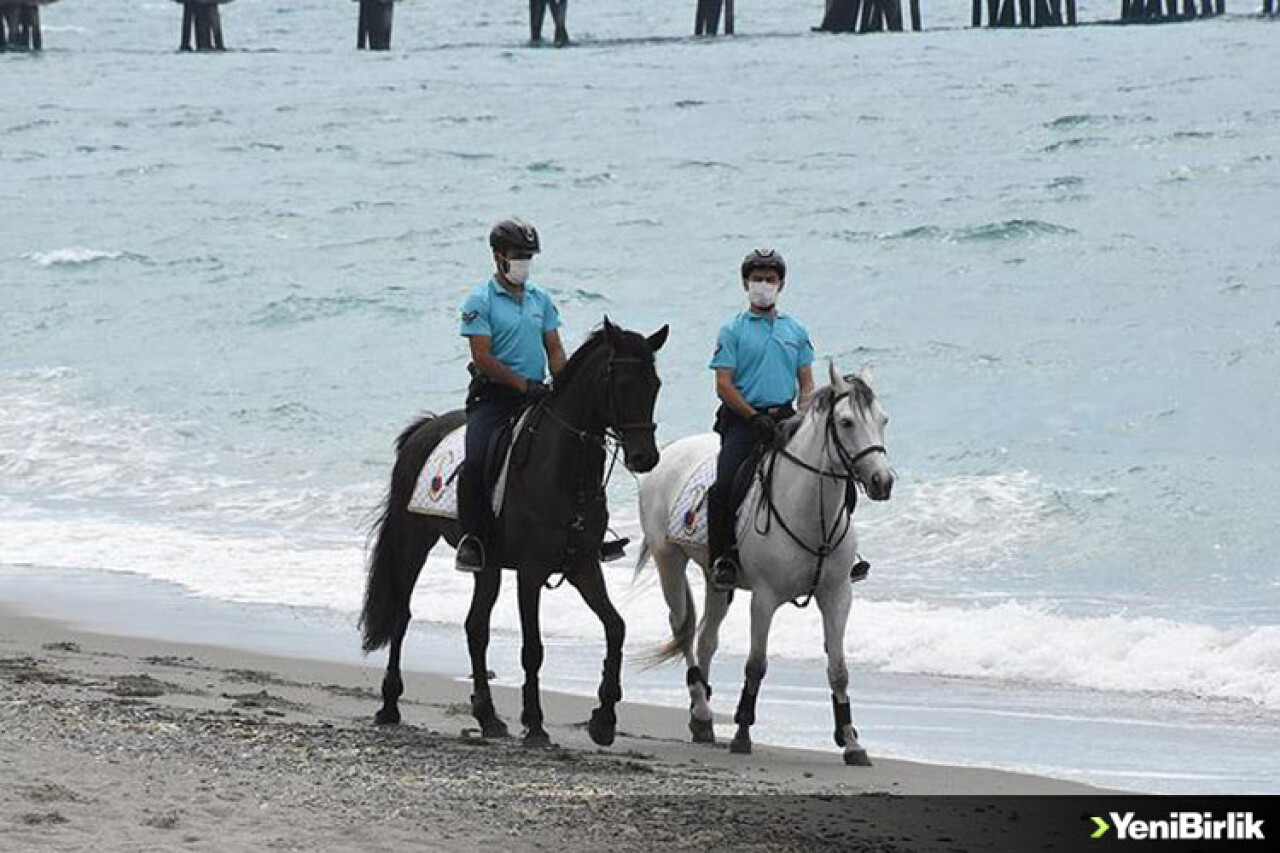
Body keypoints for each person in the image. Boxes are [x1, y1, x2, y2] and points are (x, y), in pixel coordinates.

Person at [455, 217, 567, 573]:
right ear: (498, 256)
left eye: (529, 256)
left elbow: (555, 349)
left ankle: (585, 533)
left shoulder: (541, 299)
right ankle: (472, 540)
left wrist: (563, 386)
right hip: (495, 399)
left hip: (537, 396)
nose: (524, 262)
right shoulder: (480, 301)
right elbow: (482, 357)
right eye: (518, 255)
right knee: (475, 461)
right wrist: (520, 384)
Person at [707, 248, 814, 591]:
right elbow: (723, 383)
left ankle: (838, 555)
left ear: (781, 284)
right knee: (725, 484)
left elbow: (807, 382)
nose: (763, 285)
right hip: (744, 420)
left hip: (786, 418)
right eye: (757, 279)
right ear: (745, 283)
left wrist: (803, 415)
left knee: (829, 471)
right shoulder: (732, 330)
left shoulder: (795, 331)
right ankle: (723, 558)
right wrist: (752, 417)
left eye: (770, 279)